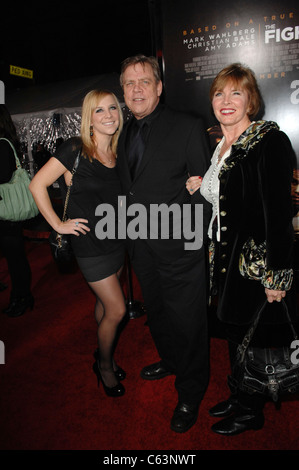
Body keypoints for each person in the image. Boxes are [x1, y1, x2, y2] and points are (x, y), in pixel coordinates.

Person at [186, 63, 298, 435]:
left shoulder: (269, 141)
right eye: (219, 93)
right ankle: (239, 394)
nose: (226, 100)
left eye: (236, 92)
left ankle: (252, 410)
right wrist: (201, 185)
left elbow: (279, 214)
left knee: (255, 338)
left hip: (254, 263)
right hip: (223, 259)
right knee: (235, 334)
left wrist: (276, 274)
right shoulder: (221, 144)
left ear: (251, 100)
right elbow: (230, 195)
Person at [117, 54, 211, 433]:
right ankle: (170, 360)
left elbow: (206, 192)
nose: (136, 89)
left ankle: (191, 389)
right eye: (129, 83)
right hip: (140, 247)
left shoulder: (188, 126)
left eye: (144, 82)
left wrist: (192, 244)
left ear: (159, 87)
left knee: (188, 321)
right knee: (157, 312)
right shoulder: (123, 131)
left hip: (180, 249)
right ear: (123, 91)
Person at [29, 90, 127, 397]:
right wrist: (58, 224)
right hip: (88, 245)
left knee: (104, 303)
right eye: (99, 111)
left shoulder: (118, 151)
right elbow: (37, 184)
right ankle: (105, 366)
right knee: (117, 309)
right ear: (89, 118)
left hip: (117, 240)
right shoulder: (75, 149)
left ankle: (102, 352)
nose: (108, 114)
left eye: (112, 107)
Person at [0, 104, 34, 317]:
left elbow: (3, 176)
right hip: (8, 213)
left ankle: (21, 297)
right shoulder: (6, 143)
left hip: (7, 212)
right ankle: (21, 296)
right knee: (16, 257)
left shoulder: (2, 144)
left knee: (16, 259)